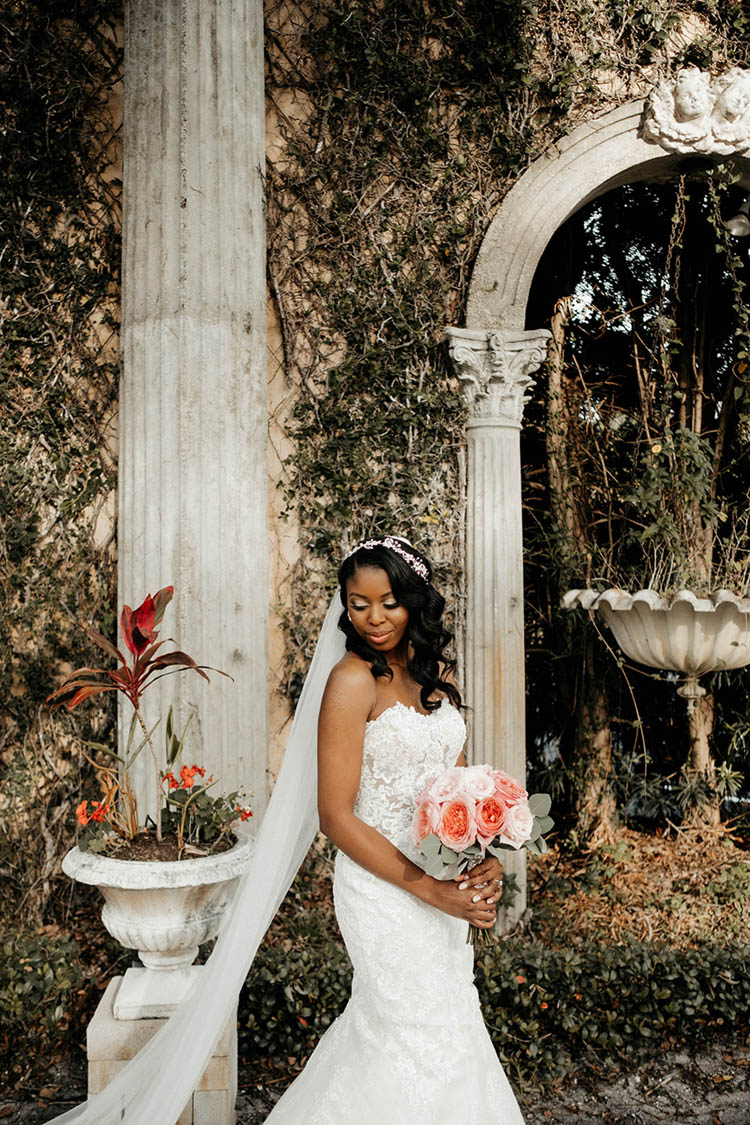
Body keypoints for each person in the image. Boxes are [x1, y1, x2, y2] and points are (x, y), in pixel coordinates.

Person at [265, 535, 525, 1123]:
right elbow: (335, 816)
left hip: (442, 887)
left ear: (415, 601)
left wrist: (480, 857)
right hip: (381, 887)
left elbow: (453, 790)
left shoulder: (433, 677)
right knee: (407, 1030)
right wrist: (427, 888)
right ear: (345, 608)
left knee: (449, 1022)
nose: (374, 618)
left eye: (389, 602)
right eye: (359, 604)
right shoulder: (352, 680)